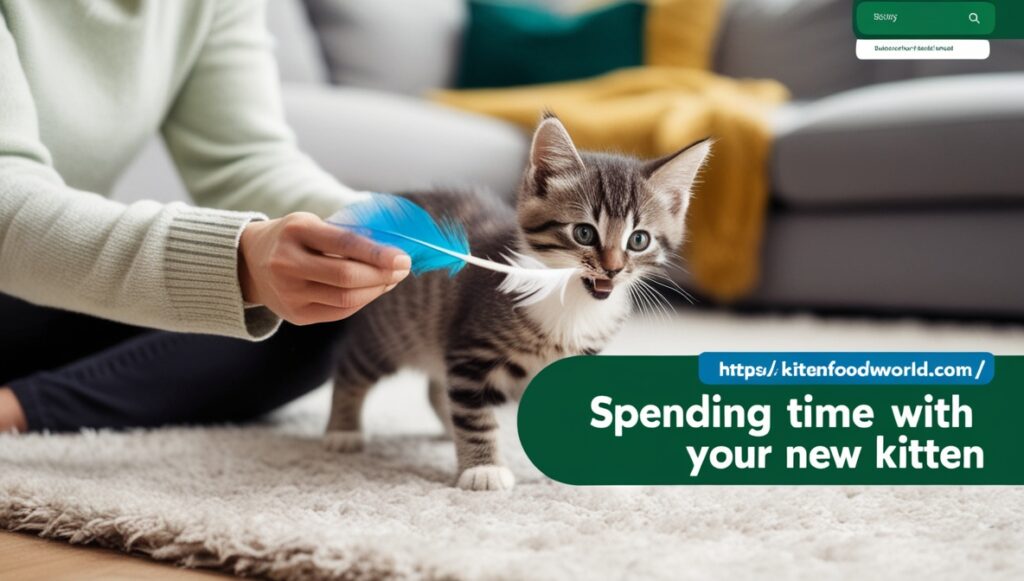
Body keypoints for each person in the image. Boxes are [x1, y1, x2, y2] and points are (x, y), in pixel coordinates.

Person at [0, 0, 411, 433]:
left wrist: (365, 228)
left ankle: (17, 410)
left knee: (325, 308)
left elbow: (245, 161)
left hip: (39, 292)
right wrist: (237, 259)